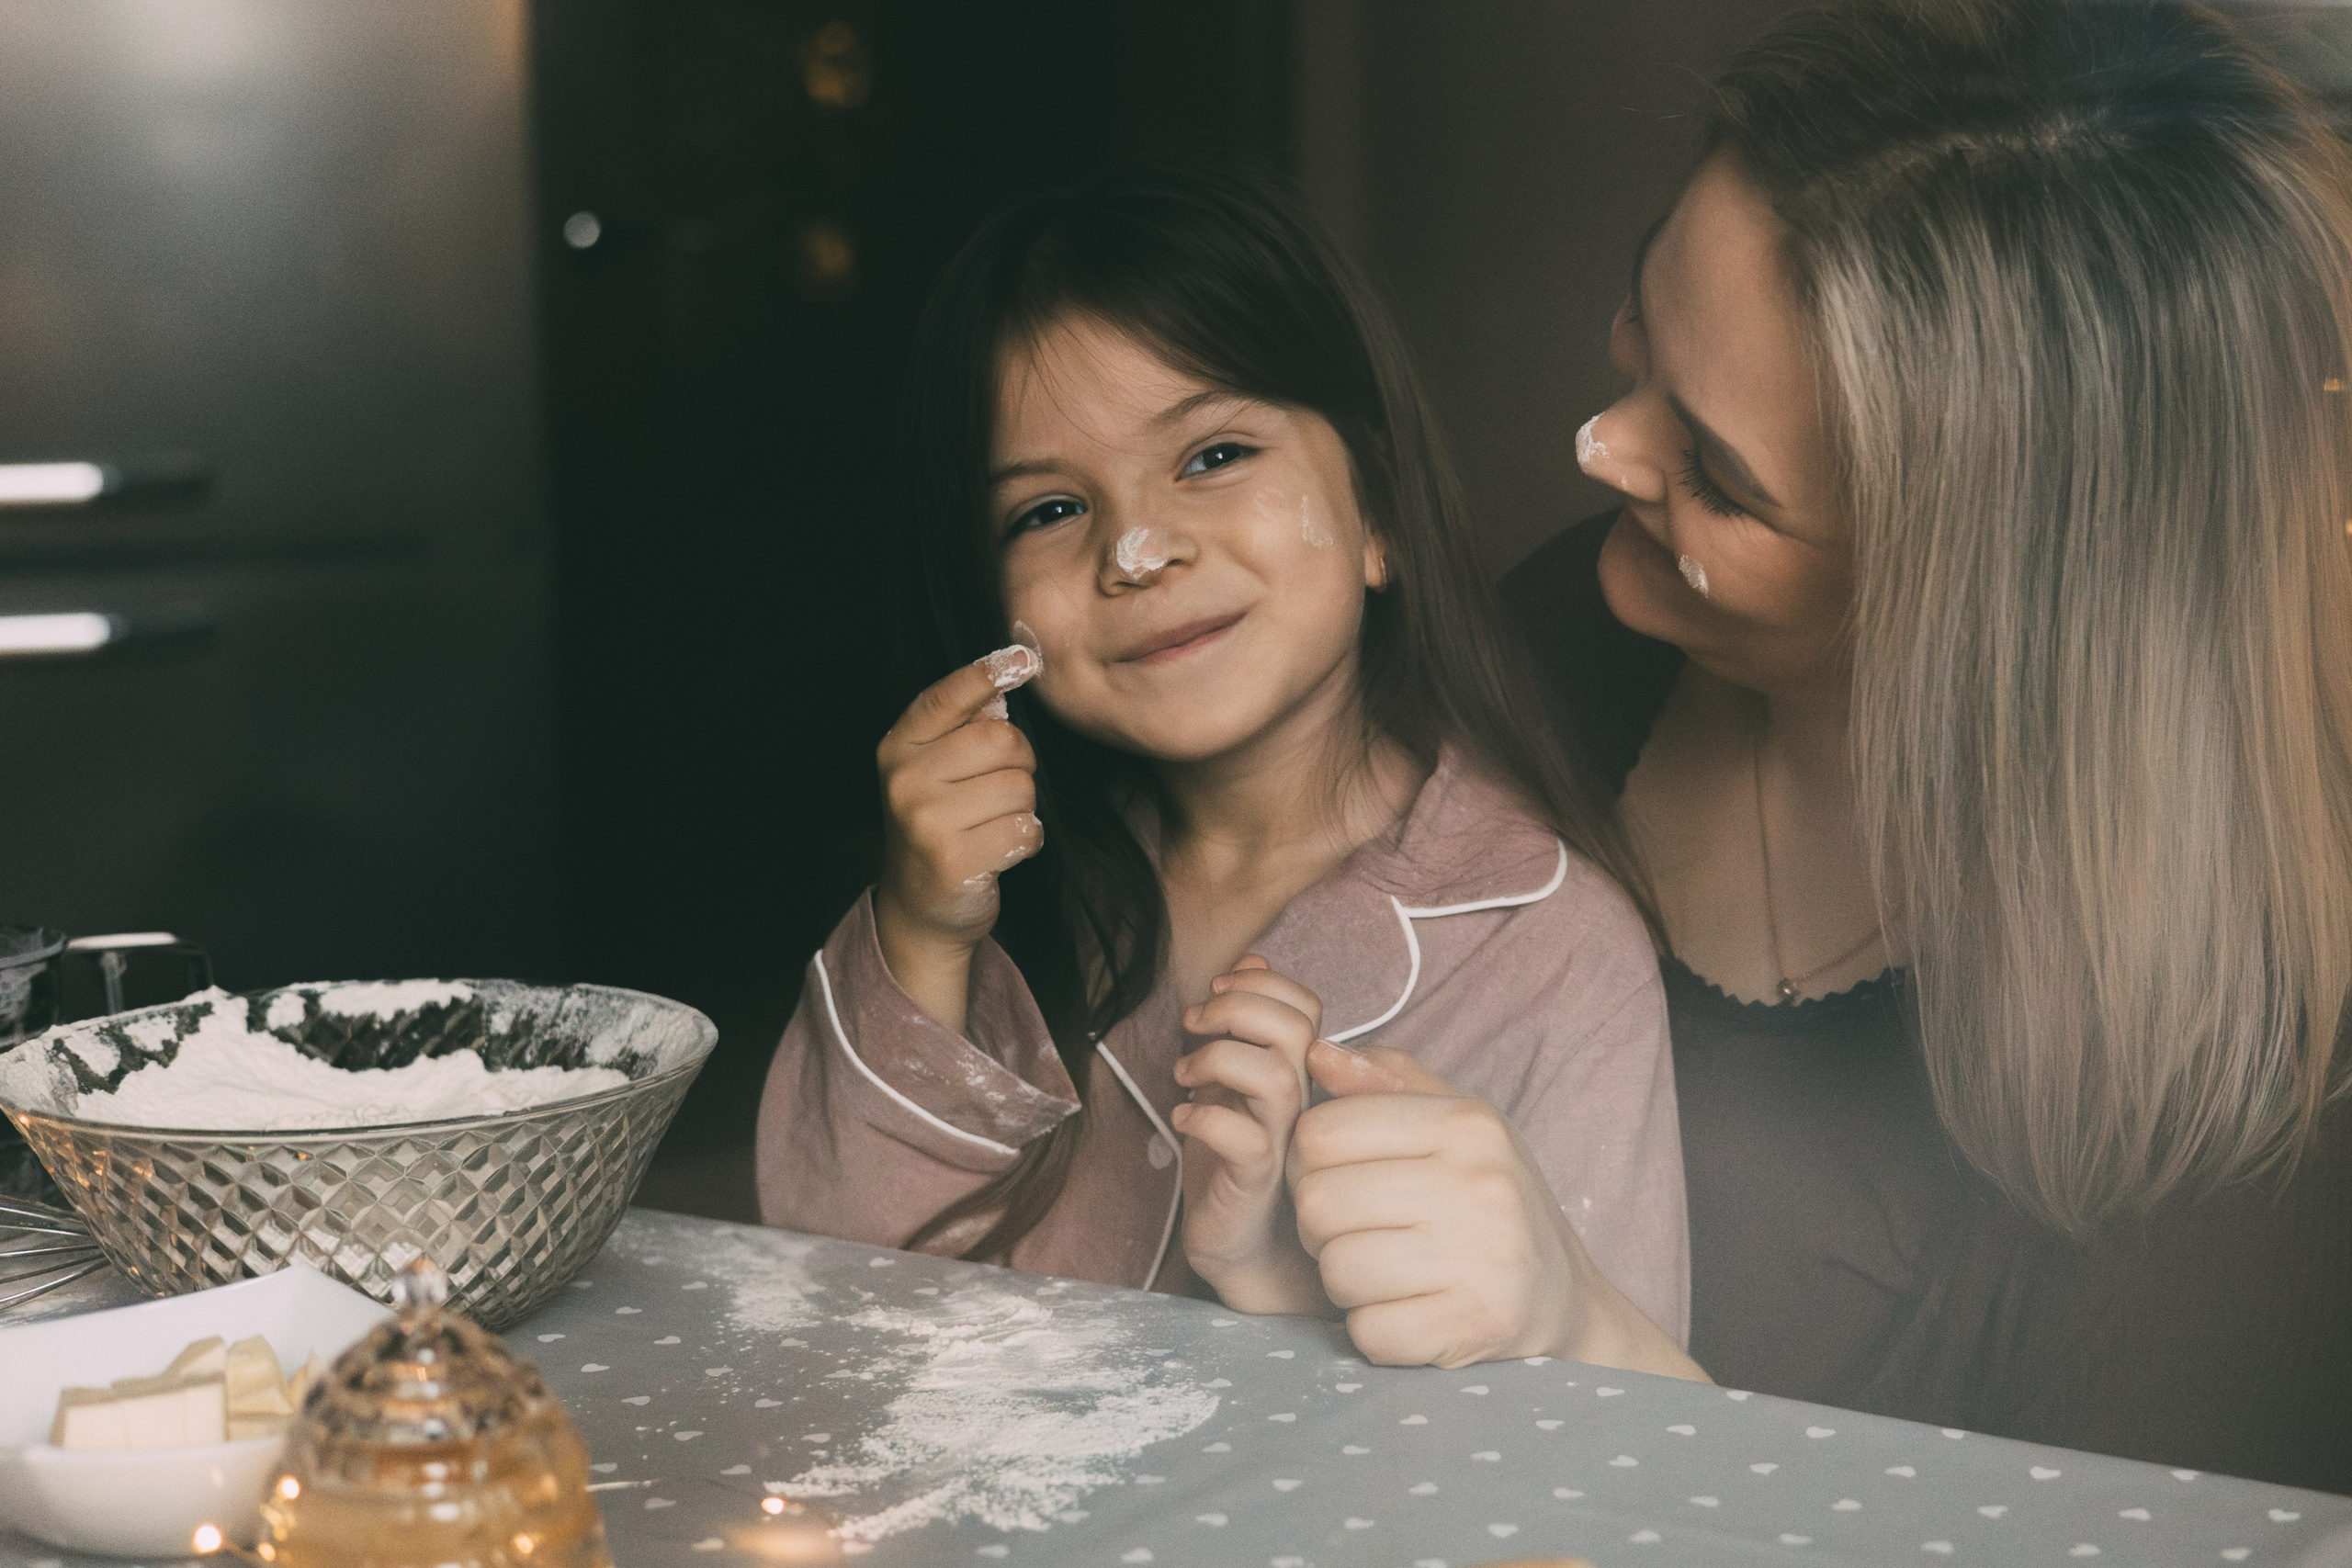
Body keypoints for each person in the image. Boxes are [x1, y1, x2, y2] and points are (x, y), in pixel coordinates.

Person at [1506, 0, 2352, 1490]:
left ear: (1980, 604)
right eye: (1646, 315)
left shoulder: (2249, 1124)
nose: (1600, 447)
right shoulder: (1544, 656)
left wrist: (1599, 1358)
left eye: (1717, 475)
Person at [756, 169, 1696, 1376]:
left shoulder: (1548, 946)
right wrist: (920, 935)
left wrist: (1283, 1278)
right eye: (1049, 509)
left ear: (1377, 517)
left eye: (1213, 454)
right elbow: (841, 1326)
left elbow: (1599, 1453)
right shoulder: (1014, 898)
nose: (1139, 548)